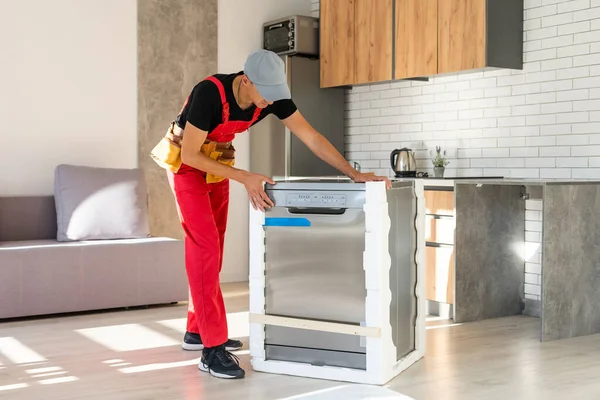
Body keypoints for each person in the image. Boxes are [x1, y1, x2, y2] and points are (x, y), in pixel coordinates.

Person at [151, 49, 391, 380]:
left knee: (213, 251)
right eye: (266, 95)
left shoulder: (271, 95)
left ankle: (197, 330)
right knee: (203, 249)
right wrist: (246, 177)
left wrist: (354, 173)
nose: (269, 102)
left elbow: (311, 137)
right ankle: (211, 349)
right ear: (246, 81)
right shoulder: (210, 93)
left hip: (218, 164)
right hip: (187, 166)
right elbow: (191, 154)